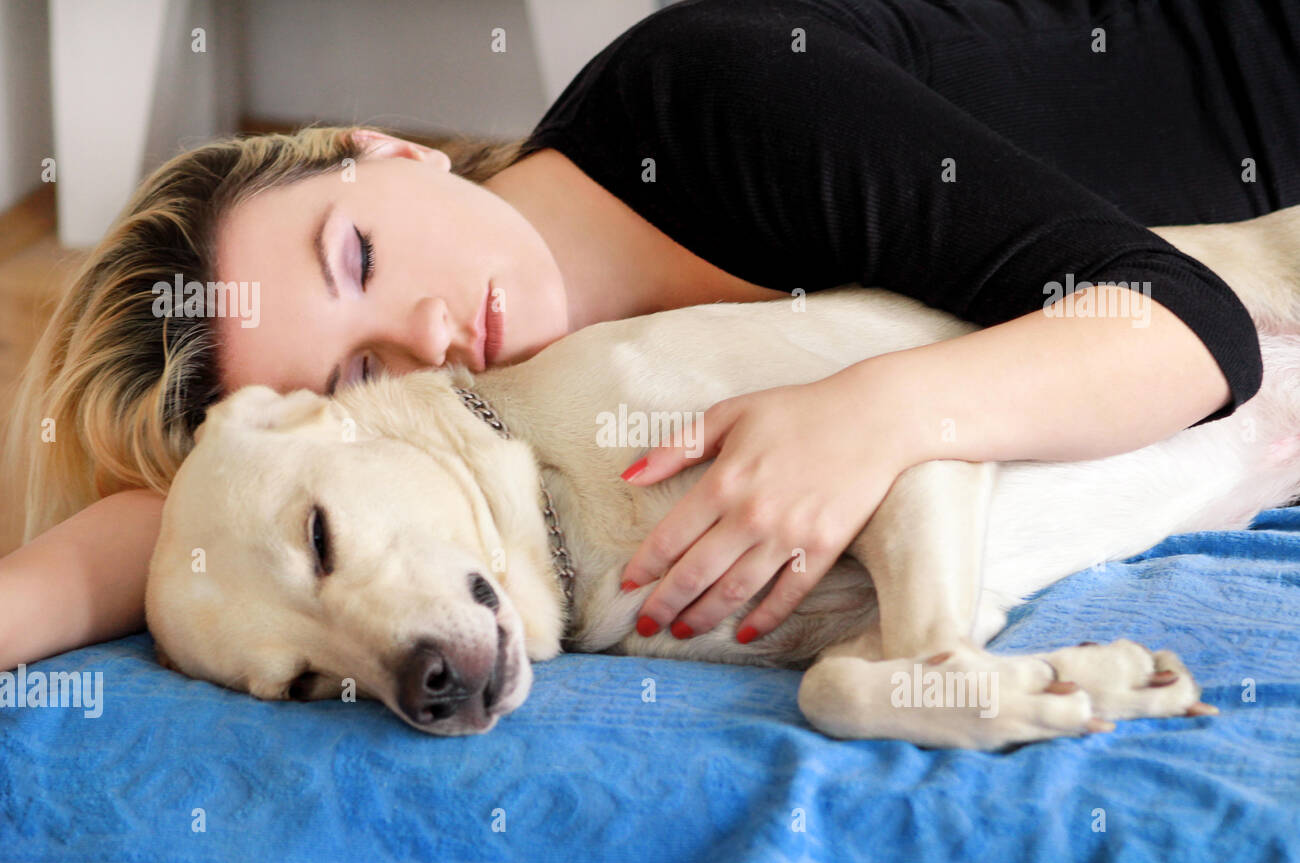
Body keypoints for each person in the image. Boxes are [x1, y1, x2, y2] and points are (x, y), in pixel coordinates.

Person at [3, 0, 1296, 670]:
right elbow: (200, 517)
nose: (433, 331)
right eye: (359, 372)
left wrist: (886, 413)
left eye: (361, 257)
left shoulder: (715, 98)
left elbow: (1194, 333)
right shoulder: (511, 411)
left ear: (380, 148)